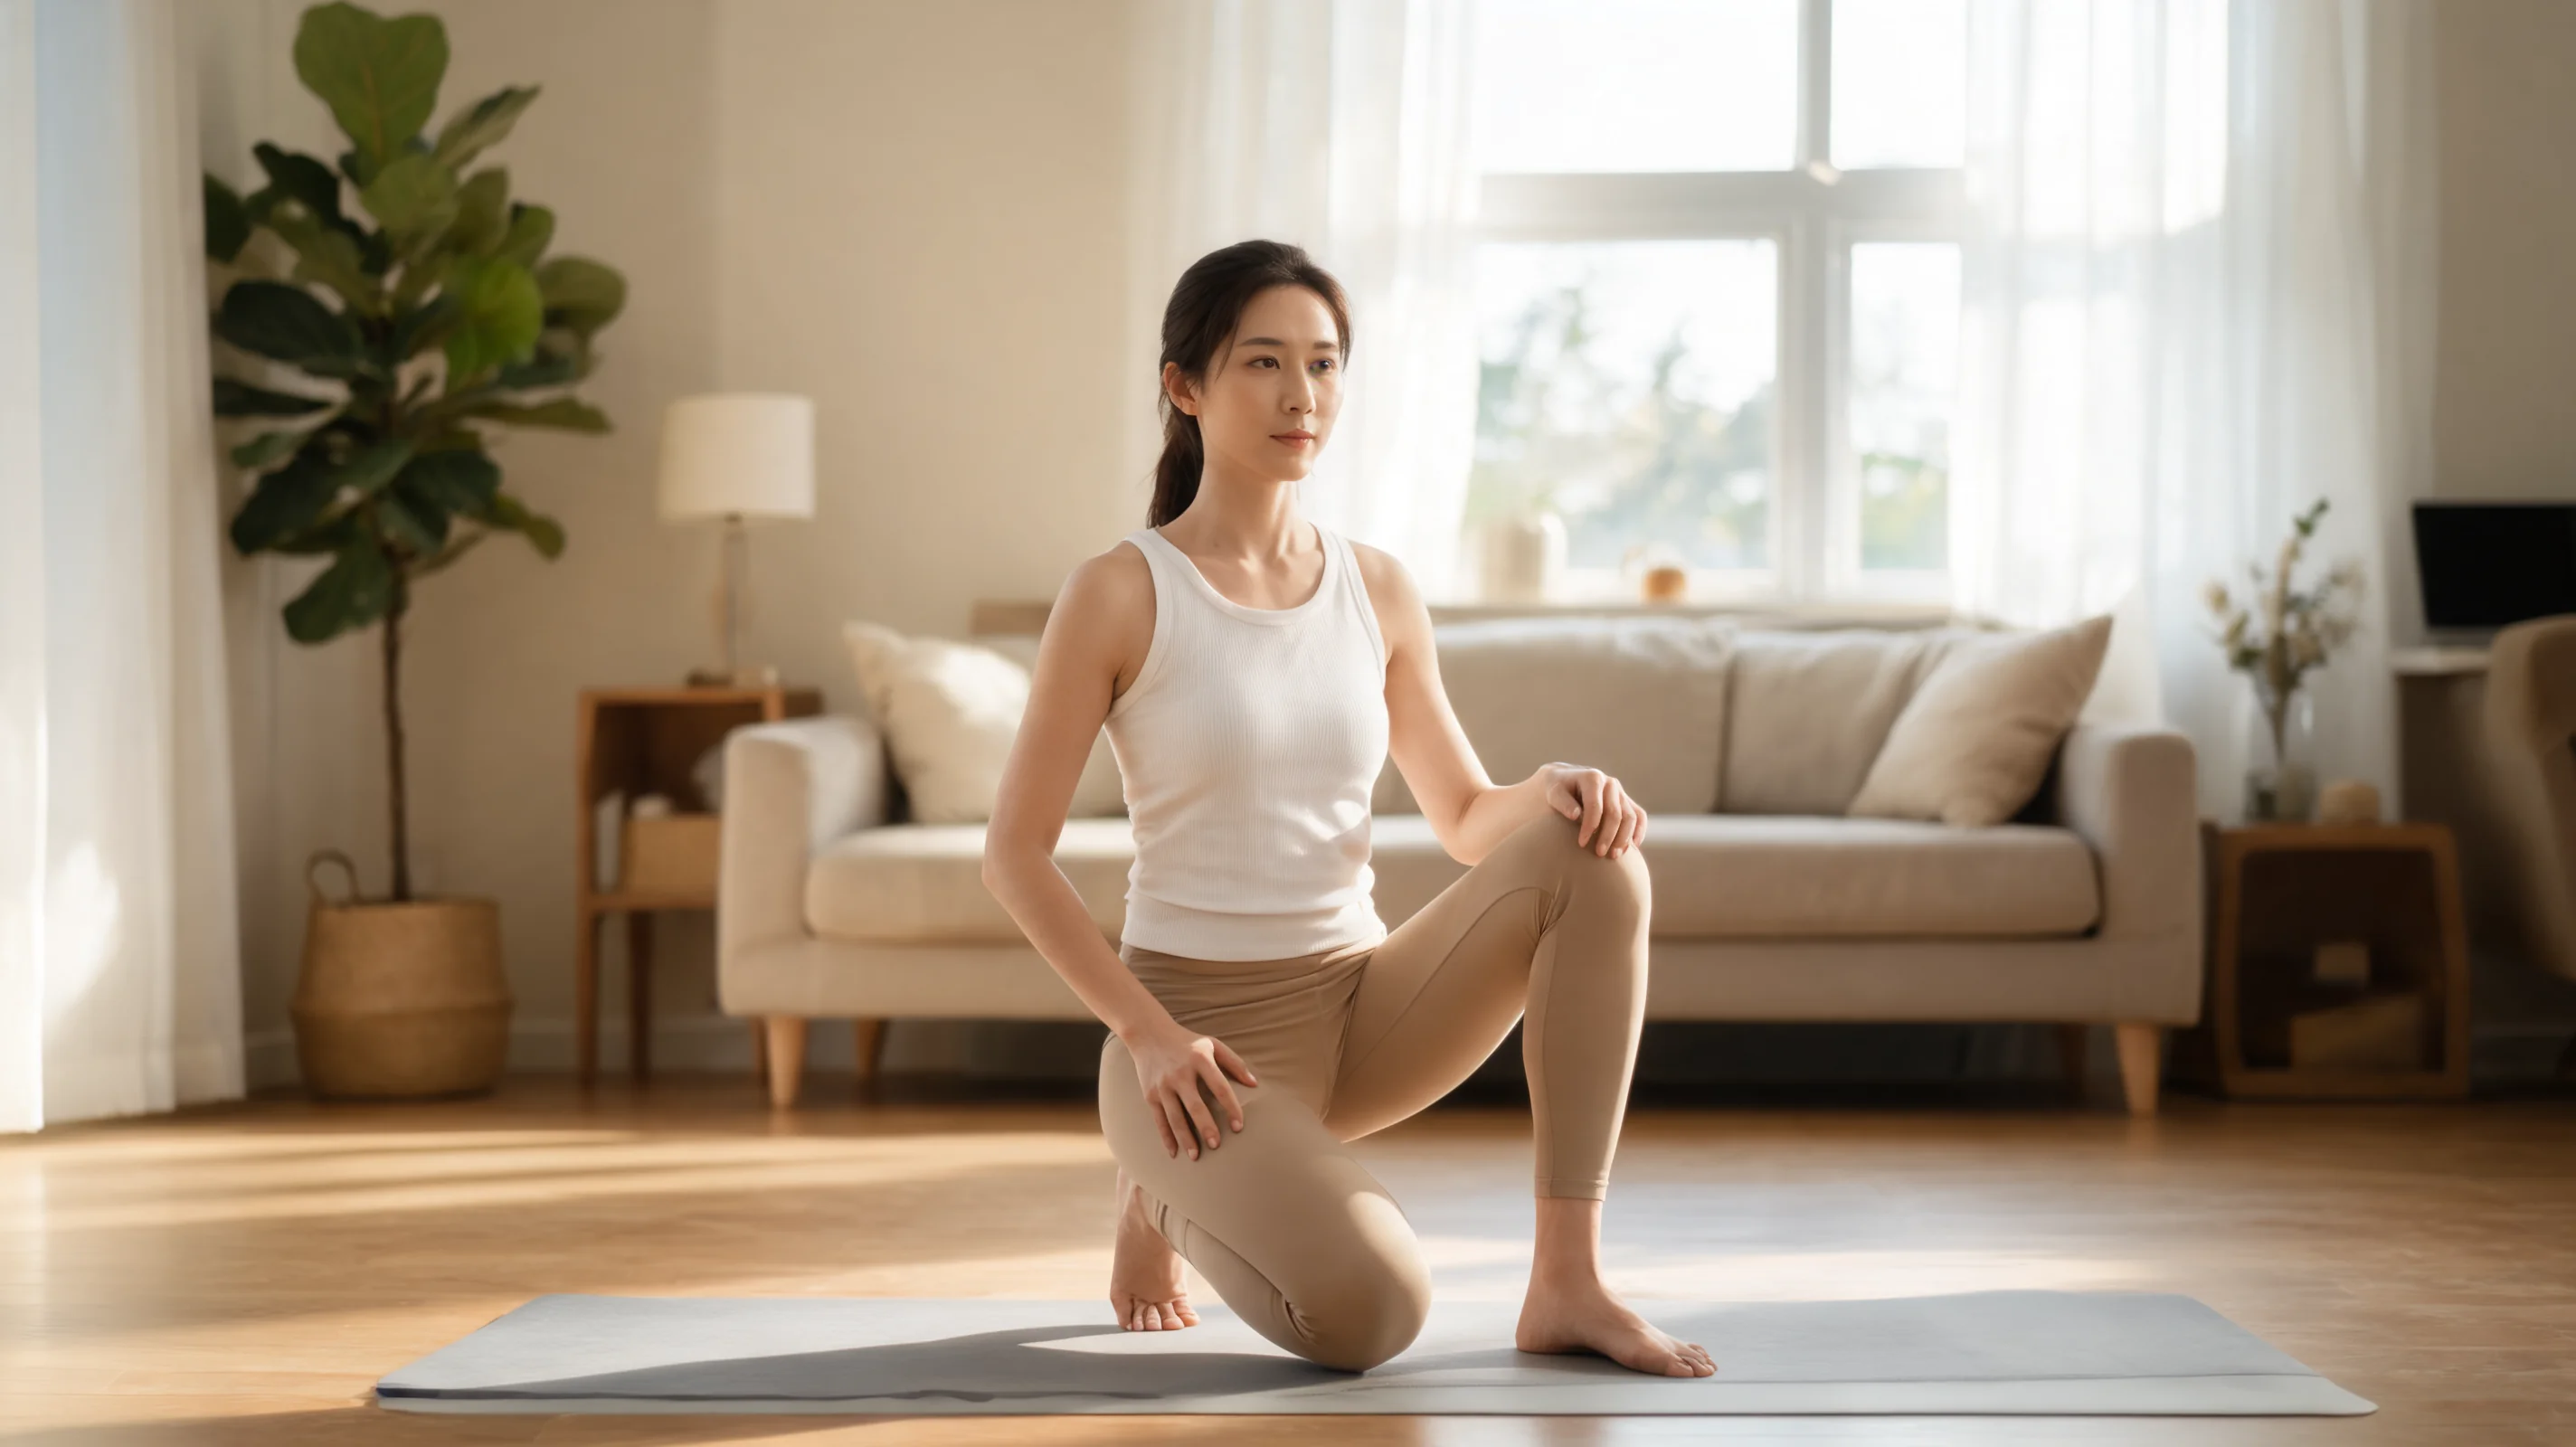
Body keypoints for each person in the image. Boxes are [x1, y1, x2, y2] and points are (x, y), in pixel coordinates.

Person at [980, 239, 1714, 1378]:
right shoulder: (1123, 590)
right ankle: (1161, 1192)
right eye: (1263, 362)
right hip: (1193, 1054)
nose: (1299, 396)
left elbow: (1468, 814)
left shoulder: (1376, 587)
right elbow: (1013, 856)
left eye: (1322, 366)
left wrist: (1551, 789)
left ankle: (1566, 1279)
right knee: (1372, 1314)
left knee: (1596, 857)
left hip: (1363, 1009)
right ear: (1185, 385)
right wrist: (1149, 1036)